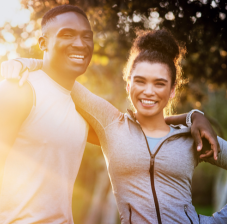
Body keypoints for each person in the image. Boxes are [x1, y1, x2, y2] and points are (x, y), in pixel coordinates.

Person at [2, 29, 227, 223]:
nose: (149, 91)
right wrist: (25, 62)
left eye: (159, 83)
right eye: (140, 81)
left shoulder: (193, 137)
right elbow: (60, 74)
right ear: (128, 85)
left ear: (172, 90)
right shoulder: (112, 125)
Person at [0, 5, 99, 224]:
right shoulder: (20, 89)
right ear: (43, 43)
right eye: (67, 35)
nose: (80, 44)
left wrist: (190, 117)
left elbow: (132, 133)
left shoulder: (81, 106)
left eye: (87, 37)